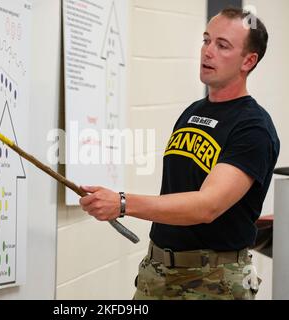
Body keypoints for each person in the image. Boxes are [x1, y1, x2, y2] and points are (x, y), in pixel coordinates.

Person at [79, 7, 280, 300]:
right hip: (157, 273)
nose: (207, 51)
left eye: (222, 45)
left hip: (212, 282)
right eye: (206, 40)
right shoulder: (193, 112)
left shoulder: (254, 128)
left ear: (248, 61)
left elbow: (206, 206)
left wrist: (122, 203)